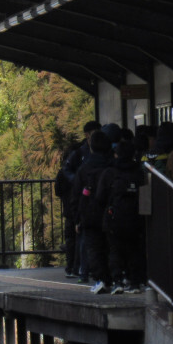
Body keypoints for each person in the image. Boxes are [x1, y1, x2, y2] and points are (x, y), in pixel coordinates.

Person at [95, 139, 146, 294]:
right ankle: (135, 282)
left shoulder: (109, 172)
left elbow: (100, 197)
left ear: (116, 154)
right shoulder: (139, 173)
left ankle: (118, 281)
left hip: (114, 219)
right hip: (136, 218)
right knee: (134, 250)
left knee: (115, 250)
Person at [56, 120, 102, 277]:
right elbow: (66, 170)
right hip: (81, 198)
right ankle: (77, 267)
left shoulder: (99, 152)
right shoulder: (80, 153)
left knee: (85, 236)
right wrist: (76, 181)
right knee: (77, 235)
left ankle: (84, 267)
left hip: (91, 198)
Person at [71, 129, 113, 292]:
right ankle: (115, 277)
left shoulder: (84, 168)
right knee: (111, 248)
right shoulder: (112, 167)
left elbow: (75, 196)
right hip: (111, 214)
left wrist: (77, 219)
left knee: (94, 249)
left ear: (91, 147)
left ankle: (101, 279)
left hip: (90, 215)